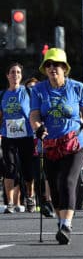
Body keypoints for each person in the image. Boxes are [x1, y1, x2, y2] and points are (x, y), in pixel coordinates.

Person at [29, 48, 83, 245]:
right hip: (50, 144)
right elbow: (34, 114)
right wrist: (37, 127)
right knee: (54, 185)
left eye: (57, 65)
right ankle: (61, 223)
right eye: (49, 65)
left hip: (75, 143)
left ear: (64, 68)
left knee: (68, 180)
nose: (53, 68)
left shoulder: (77, 88)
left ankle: (66, 225)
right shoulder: (38, 90)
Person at [0, 62, 36, 213]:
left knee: (28, 171)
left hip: (26, 136)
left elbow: (35, 113)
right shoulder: (2, 95)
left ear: (21, 76)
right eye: (13, 72)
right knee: (10, 168)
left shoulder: (28, 92)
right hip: (8, 136)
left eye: (18, 72)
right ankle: (9, 202)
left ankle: (30, 196)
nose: (15, 75)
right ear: (8, 75)